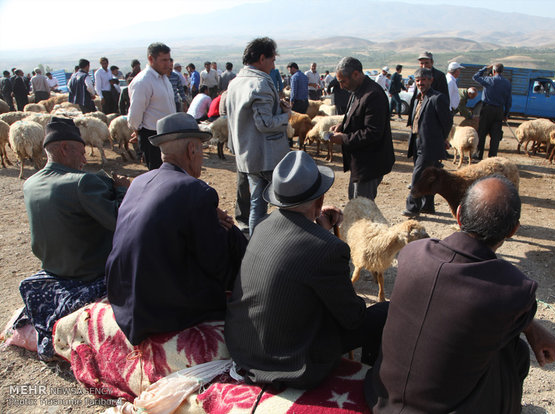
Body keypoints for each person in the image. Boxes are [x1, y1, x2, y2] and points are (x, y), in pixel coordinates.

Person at [366, 175, 555, 413]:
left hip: (380, 397)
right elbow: (511, 315)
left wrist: (531, 326)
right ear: (513, 231)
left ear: (458, 215)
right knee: (514, 352)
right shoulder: (515, 288)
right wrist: (531, 327)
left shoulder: (413, 253)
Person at [225, 150, 389, 389]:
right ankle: (368, 383)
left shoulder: (262, 225)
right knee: (383, 313)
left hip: (244, 347)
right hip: (289, 365)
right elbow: (352, 318)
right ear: (320, 201)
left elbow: (298, 254)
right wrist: (323, 235)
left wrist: (319, 227)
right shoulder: (329, 250)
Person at [106, 112, 247, 345]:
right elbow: (216, 265)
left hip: (122, 298)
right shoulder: (196, 190)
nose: (201, 156)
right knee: (232, 234)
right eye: (201, 149)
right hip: (160, 310)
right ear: (192, 149)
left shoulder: (140, 180)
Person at [17, 117, 129, 360]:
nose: (84, 158)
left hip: (52, 268)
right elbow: (119, 220)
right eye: (80, 151)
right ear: (65, 148)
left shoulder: (30, 183)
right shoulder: (82, 182)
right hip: (87, 272)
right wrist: (121, 190)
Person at [226, 37, 291, 236]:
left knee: (257, 204)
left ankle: (256, 246)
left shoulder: (236, 82)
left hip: (248, 155)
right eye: (272, 60)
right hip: (268, 157)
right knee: (286, 204)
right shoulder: (260, 83)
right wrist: (286, 115)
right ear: (262, 58)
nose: (273, 65)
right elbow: (265, 124)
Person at [328, 57, 395, 201]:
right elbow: (357, 117)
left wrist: (343, 138)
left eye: (343, 81)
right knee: (355, 203)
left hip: (369, 163)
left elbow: (372, 132)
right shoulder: (358, 90)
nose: (341, 87)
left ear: (356, 74)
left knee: (362, 210)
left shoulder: (373, 95)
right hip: (360, 162)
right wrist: (343, 127)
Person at [402, 67, 453, 216]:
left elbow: (447, 122)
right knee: (429, 175)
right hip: (417, 142)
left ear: (431, 80)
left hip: (430, 144)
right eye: (418, 80)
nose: (420, 83)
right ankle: (428, 205)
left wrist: (441, 139)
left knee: (417, 176)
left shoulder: (438, 98)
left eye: (423, 80)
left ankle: (412, 207)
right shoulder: (418, 97)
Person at [127, 42, 176, 170]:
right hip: (153, 137)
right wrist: (137, 132)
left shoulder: (164, 78)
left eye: (168, 60)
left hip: (168, 134)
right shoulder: (143, 81)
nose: (167, 64)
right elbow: (135, 113)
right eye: (163, 60)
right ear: (151, 59)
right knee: (158, 173)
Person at [472, 63, 512, 159]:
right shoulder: (507, 83)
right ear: (502, 71)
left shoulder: (489, 80)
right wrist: (506, 114)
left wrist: (485, 68)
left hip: (487, 109)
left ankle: (478, 155)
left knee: (482, 133)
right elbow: (508, 100)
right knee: (495, 135)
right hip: (499, 111)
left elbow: (475, 77)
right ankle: (492, 157)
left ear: (493, 71)